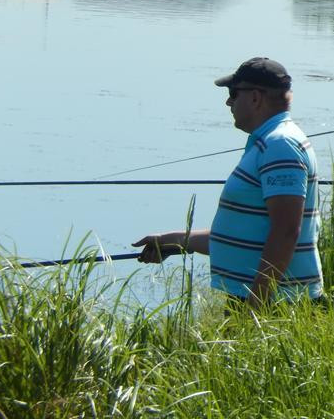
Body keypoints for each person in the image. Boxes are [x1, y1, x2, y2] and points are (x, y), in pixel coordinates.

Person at [134, 57, 323, 309]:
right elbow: (243, 235)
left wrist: (257, 303)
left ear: (256, 98)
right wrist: (174, 240)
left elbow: (286, 231)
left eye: (234, 94)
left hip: (276, 302)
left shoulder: (280, 145)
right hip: (263, 297)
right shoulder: (269, 142)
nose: (228, 102)